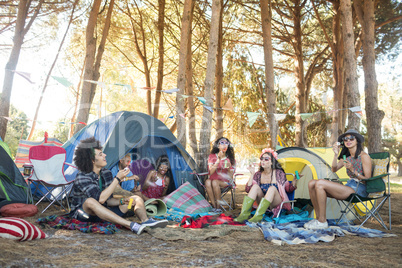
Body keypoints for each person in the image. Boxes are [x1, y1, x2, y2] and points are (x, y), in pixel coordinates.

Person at [69, 137, 168, 235]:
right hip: (83, 215)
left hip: (102, 213)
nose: (105, 155)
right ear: (92, 161)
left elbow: (108, 200)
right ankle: (131, 225)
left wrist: (122, 201)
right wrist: (117, 179)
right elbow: (100, 199)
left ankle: (145, 221)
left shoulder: (106, 173)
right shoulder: (83, 176)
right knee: (90, 201)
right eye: (100, 154)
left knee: (136, 198)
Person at [304, 129, 372, 230]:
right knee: (312, 183)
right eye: (345, 139)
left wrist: (353, 170)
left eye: (351, 138)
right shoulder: (347, 157)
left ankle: (322, 221)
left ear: (357, 140)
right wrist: (336, 154)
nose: (348, 140)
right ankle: (318, 219)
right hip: (349, 186)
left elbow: (367, 179)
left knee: (320, 183)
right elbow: (334, 169)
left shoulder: (364, 156)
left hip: (359, 189)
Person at [234, 148, 297, 223]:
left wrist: (294, 180)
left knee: (272, 188)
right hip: (262, 202)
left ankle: (258, 217)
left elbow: (288, 189)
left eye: (266, 159)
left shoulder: (279, 173)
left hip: (275, 203)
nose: (263, 160)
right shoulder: (258, 174)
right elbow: (248, 190)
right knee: (255, 187)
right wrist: (252, 174)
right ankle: (244, 215)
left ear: (272, 162)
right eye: (261, 158)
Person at [205, 137, 236, 212]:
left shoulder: (230, 158)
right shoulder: (212, 156)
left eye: (226, 143)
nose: (224, 144)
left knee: (214, 182)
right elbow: (211, 172)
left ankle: (218, 207)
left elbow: (230, 176)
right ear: (218, 146)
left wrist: (229, 168)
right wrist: (218, 160)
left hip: (225, 182)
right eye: (222, 143)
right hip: (212, 181)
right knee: (207, 182)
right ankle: (214, 206)